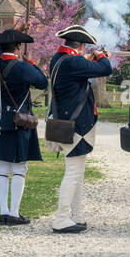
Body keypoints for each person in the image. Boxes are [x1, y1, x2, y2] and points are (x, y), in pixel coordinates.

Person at [45, 25, 113, 234]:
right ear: (82, 45)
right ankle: (61, 218)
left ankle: (77, 215)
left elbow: (79, 71)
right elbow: (106, 69)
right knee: (74, 173)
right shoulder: (74, 62)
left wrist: (90, 60)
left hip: (66, 121)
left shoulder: (60, 59)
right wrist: (101, 56)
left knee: (76, 173)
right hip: (76, 126)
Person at [0, 29, 49, 227]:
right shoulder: (22, 67)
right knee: (19, 167)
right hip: (17, 121)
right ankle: (14, 213)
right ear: (18, 47)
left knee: (1, 168)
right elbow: (42, 82)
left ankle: (4, 212)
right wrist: (31, 62)